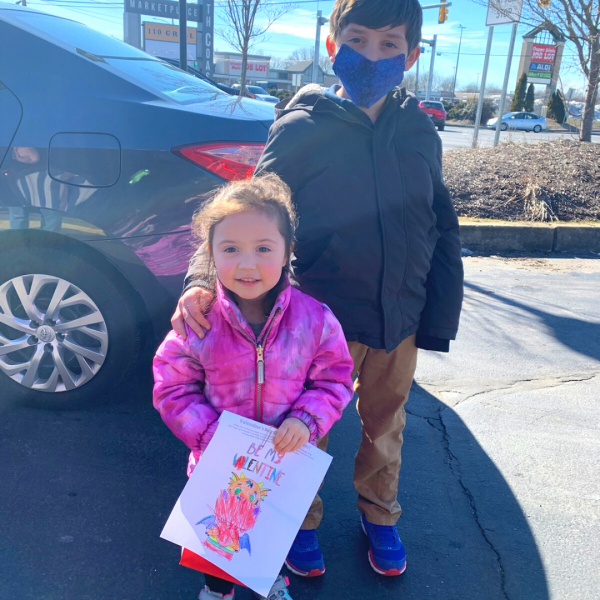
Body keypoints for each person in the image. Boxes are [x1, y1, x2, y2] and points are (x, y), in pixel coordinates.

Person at [172, 0, 464, 579]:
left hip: (398, 318)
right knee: (306, 427)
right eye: (358, 41)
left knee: (386, 424)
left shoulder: (418, 130)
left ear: (410, 55)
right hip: (315, 323)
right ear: (333, 46)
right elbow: (252, 213)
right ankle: (297, 519)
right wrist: (204, 281)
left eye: (389, 45)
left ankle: (380, 513)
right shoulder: (301, 129)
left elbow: (441, 221)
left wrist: (438, 312)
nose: (372, 56)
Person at [153, 174, 354, 600]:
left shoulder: (314, 319)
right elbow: (172, 387)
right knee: (216, 540)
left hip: (280, 464)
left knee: (271, 532)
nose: (247, 265)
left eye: (263, 248)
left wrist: (307, 420)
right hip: (217, 462)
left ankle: (272, 579)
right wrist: (209, 435)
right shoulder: (199, 321)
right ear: (210, 253)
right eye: (231, 249)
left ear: (288, 251)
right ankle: (217, 590)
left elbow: (334, 378)